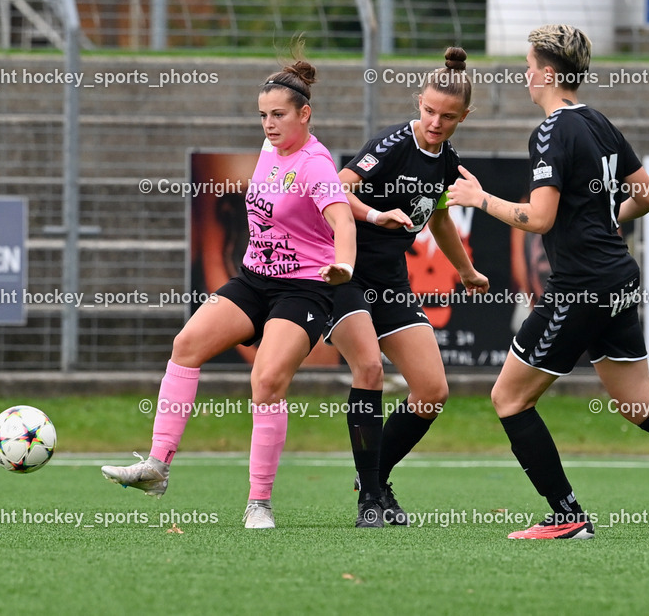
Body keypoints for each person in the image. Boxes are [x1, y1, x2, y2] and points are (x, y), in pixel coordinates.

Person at [446, 25, 649, 541]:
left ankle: (566, 515)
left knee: (509, 398)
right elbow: (646, 194)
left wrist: (480, 200)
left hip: (581, 284)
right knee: (640, 403)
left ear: (549, 74)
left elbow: (537, 219)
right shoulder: (599, 123)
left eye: (530, 64)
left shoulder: (552, 131)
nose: (526, 74)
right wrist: (606, 222)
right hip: (618, 277)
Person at [101, 56, 356, 530]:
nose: (269, 123)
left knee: (266, 381)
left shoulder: (315, 164)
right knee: (186, 345)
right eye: (263, 115)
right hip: (254, 279)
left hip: (303, 290)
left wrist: (343, 264)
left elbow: (341, 218)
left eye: (279, 114)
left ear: (305, 114)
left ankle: (259, 502)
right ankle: (156, 467)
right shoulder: (269, 147)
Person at [324, 47, 490, 527]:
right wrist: (377, 214)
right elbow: (337, 189)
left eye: (448, 116)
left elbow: (438, 217)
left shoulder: (447, 158)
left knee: (432, 391)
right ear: (419, 102)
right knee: (370, 369)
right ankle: (371, 498)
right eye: (430, 111)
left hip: (391, 281)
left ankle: (373, 477)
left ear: (464, 116)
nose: (436, 122)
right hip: (347, 272)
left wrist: (465, 270)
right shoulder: (394, 144)